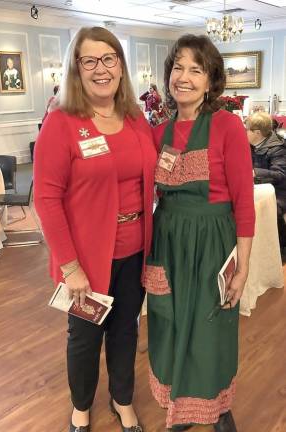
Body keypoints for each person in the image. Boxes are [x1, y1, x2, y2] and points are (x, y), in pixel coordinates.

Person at [33, 26, 157, 432]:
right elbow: (47, 199)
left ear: (121, 65)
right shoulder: (62, 123)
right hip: (85, 258)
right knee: (84, 339)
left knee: (125, 331)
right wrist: (69, 266)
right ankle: (81, 408)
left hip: (135, 249)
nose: (101, 69)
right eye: (90, 60)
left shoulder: (137, 120)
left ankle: (122, 400)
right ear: (76, 68)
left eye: (109, 59)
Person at [143, 34, 255, 432]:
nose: (184, 77)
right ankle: (182, 407)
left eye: (196, 69)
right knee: (170, 324)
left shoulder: (227, 127)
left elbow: (244, 202)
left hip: (212, 242)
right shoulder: (157, 134)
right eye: (178, 67)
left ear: (211, 80)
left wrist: (242, 267)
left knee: (211, 328)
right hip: (168, 242)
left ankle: (218, 406)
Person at [246, 111, 286, 251]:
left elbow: (280, 174)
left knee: (272, 209)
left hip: (279, 191)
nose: (244, 132)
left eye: (247, 129)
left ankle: (281, 247)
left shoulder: (277, 148)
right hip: (257, 186)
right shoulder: (250, 144)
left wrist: (254, 173)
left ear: (257, 133)